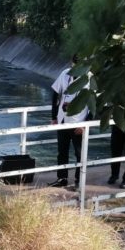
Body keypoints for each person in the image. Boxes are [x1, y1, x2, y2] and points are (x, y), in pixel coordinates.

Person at [48, 54, 90, 188]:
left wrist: (85, 125)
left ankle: (79, 180)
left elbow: (95, 105)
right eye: (73, 64)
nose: (74, 67)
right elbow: (55, 94)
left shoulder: (90, 78)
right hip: (63, 120)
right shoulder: (65, 74)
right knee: (62, 151)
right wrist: (54, 116)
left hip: (79, 122)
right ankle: (62, 178)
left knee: (79, 153)